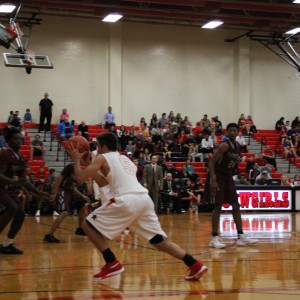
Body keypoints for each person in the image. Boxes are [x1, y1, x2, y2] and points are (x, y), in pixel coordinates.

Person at [68, 132, 208, 281]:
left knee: (87, 225)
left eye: (98, 146)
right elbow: (103, 182)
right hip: (143, 200)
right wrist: (89, 165)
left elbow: (80, 178)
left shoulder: (103, 157)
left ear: (103, 146)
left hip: (126, 200)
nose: (97, 149)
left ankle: (111, 262)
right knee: (158, 240)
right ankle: (195, 264)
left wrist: (76, 160)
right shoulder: (125, 159)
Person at [204, 123, 258, 249]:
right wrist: (213, 179)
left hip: (228, 176)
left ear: (238, 132)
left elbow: (233, 159)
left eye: (234, 130)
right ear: (226, 132)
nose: (232, 133)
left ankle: (240, 236)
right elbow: (211, 163)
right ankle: (214, 238)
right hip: (218, 175)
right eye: (230, 131)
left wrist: (240, 160)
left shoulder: (237, 145)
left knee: (235, 204)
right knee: (218, 206)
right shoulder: (224, 145)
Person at [0, 127, 49, 254]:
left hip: (9, 189)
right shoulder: (5, 153)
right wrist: (14, 182)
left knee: (21, 214)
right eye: (15, 139)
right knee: (12, 208)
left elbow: (24, 180)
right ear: (8, 141)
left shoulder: (21, 157)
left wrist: (38, 192)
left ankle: (7, 244)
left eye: (20, 139)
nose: (19, 141)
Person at [43, 160, 91, 243]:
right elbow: (59, 178)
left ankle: (80, 229)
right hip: (63, 191)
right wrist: (54, 193)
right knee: (64, 212)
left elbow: (73, 186)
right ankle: (49, 235)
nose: (87, 161)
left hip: (71, 192)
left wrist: (82, 195)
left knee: (82, 205)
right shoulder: (70, 166)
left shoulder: (80, 170)